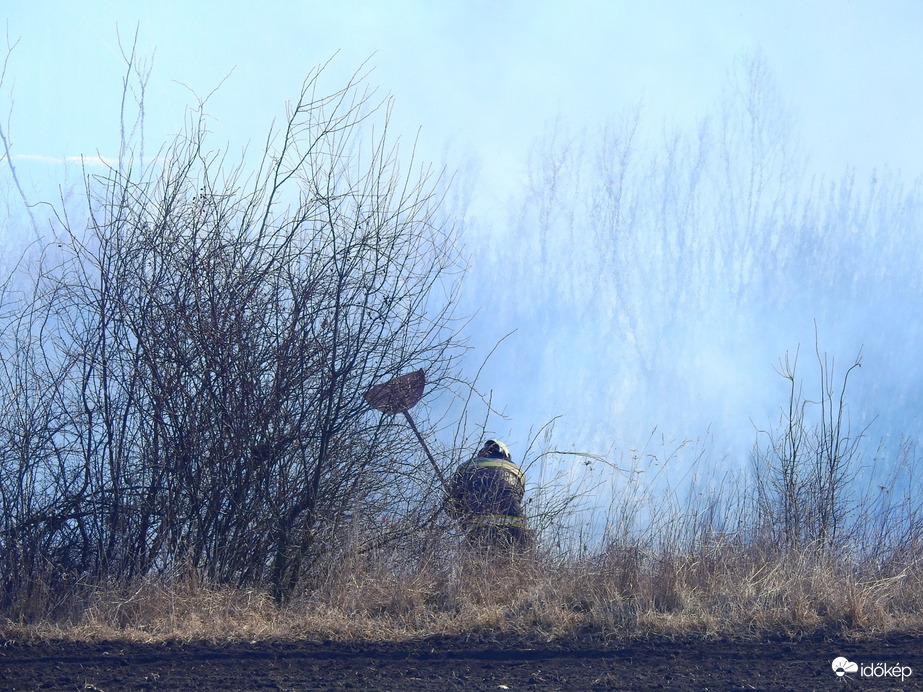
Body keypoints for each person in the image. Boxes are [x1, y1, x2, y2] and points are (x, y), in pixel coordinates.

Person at [446, 439, 532, 551]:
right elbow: (517, 497)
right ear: (506, 454)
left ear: (483, 451)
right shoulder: (517, 472)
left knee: (476, 566)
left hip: (479, 529)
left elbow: (452, 509)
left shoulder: (466, 467)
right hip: (517, 529)